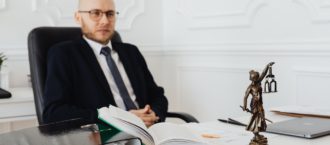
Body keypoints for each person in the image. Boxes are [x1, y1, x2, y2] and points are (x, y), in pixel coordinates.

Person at [43, 0, 168, 127]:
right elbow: (54, 113)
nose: (105, 21)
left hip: (149, 130)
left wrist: (153, 113)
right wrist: (118, 119)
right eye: (95, 13)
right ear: (78, 17)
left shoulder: (131, 52)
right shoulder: (63, 54)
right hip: (106, 135)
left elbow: (158, 96)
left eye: (110, 14)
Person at [242, 62, 274, 144]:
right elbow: (245, 97)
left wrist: (267, 66)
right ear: (253, 79)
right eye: (256, 78)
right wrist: (245, 106)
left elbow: (263, 73)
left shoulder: (258, 82)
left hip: (260, 103)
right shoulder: (250, 87)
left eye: (258, 78)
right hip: (254, 104)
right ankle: (255, 133)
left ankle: (258, 132)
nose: (258, 78)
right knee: (255, 118)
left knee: (262, 116)